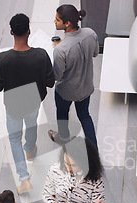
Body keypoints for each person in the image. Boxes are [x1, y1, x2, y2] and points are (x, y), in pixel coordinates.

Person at [0, 14, 55, 195]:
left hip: (13, 105)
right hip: (33, 101)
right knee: (31, 124)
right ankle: (30, 149)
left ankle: (24, 178)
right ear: (29, 31)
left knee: (14, 139)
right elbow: (50, 82)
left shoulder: (3, 59)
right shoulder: (41, 55)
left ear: (11, 32)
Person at [47, 4, 99, 149]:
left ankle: (63, 138)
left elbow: (57, 76)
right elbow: (95, 53)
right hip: (86, 88)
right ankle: (93, 153)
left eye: (57, 19)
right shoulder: (91, 33)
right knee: (85, 116)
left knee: (62, 115)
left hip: (66, 92)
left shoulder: (61, 50)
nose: (54, 22)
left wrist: (58, 49)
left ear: (67, 23)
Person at [43, 137, 110, 203]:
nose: (69, 168)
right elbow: (47, 193)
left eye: (73, 165)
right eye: (66, 163)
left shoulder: (95, 181)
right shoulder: (55, 170)